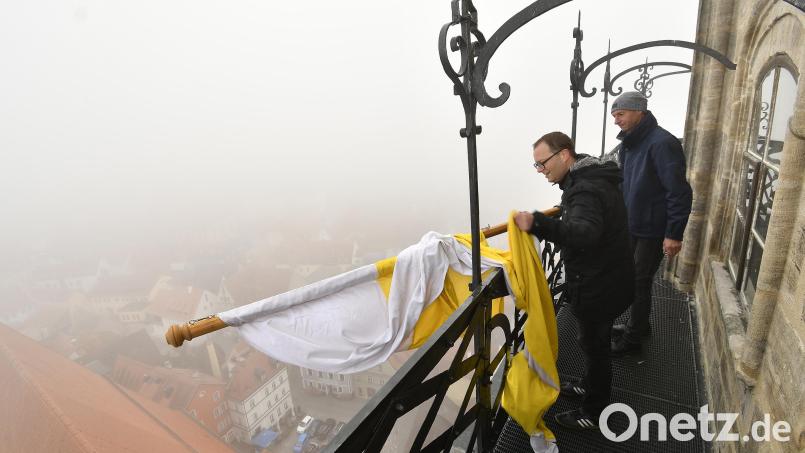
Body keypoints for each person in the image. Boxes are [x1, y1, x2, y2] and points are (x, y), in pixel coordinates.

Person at [515, 131, 634, 430]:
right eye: (537, 166)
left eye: (543, 164)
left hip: (598, 284)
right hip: (608, 277)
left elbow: (584, 234)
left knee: (595, 347)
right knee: (592, 342)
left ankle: (593, 412)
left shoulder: (584, 191)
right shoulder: (592, 178)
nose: (541, 171)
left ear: (565, 155)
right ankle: (587, 385)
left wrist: (537, 223)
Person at [609, 91, 693, 356]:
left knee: (638, 281)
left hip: (652, 229)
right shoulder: (630, 143)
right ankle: (639, 325)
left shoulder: (662, 143)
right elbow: (623, 182)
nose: (616, 121)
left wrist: (673, 234)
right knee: (633, 279)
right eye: (614, 116)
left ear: (639, 112)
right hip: (634, 225)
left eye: (620, 114)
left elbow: (679, 191)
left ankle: (634, 339)